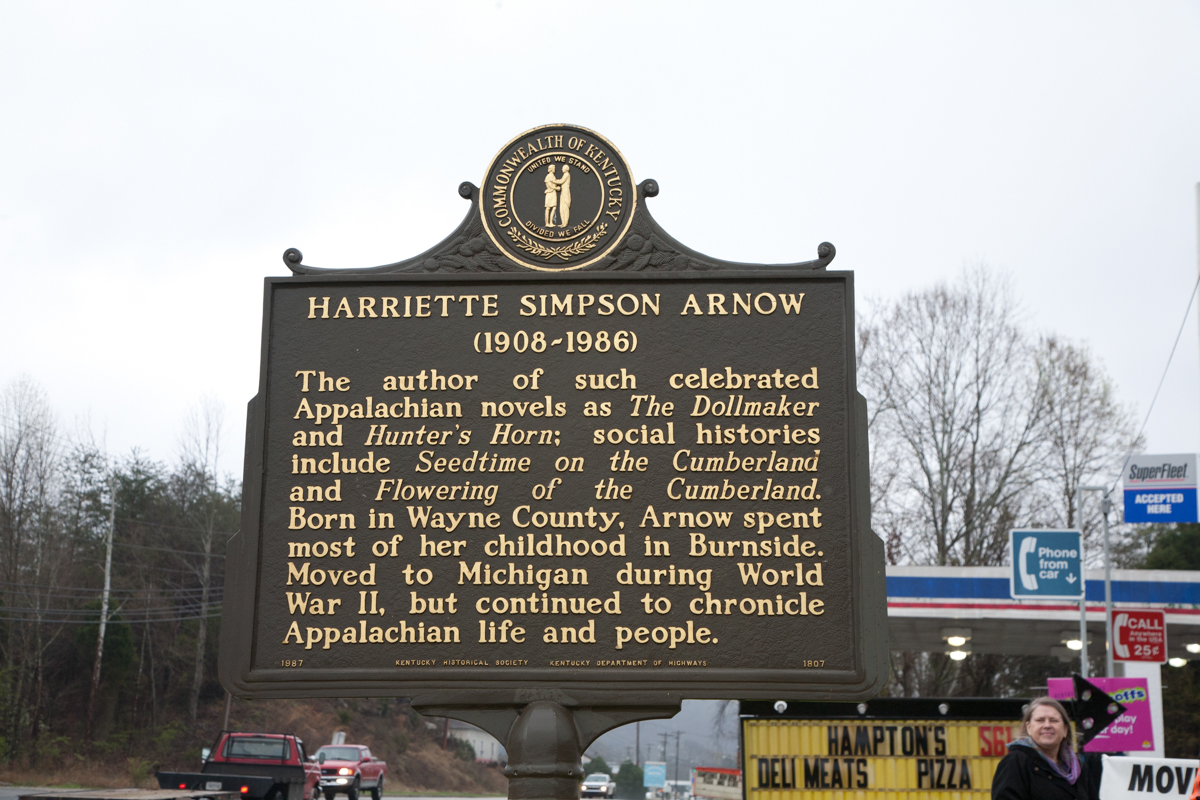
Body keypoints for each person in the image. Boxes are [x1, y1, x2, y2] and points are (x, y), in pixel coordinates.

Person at [991, 697, 1099, 800]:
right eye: (1040, 720)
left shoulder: (1079, 768)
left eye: (1053, 720)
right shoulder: (1015, 762)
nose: (1047, 725)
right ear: (1029, 728)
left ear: (1065, 729)